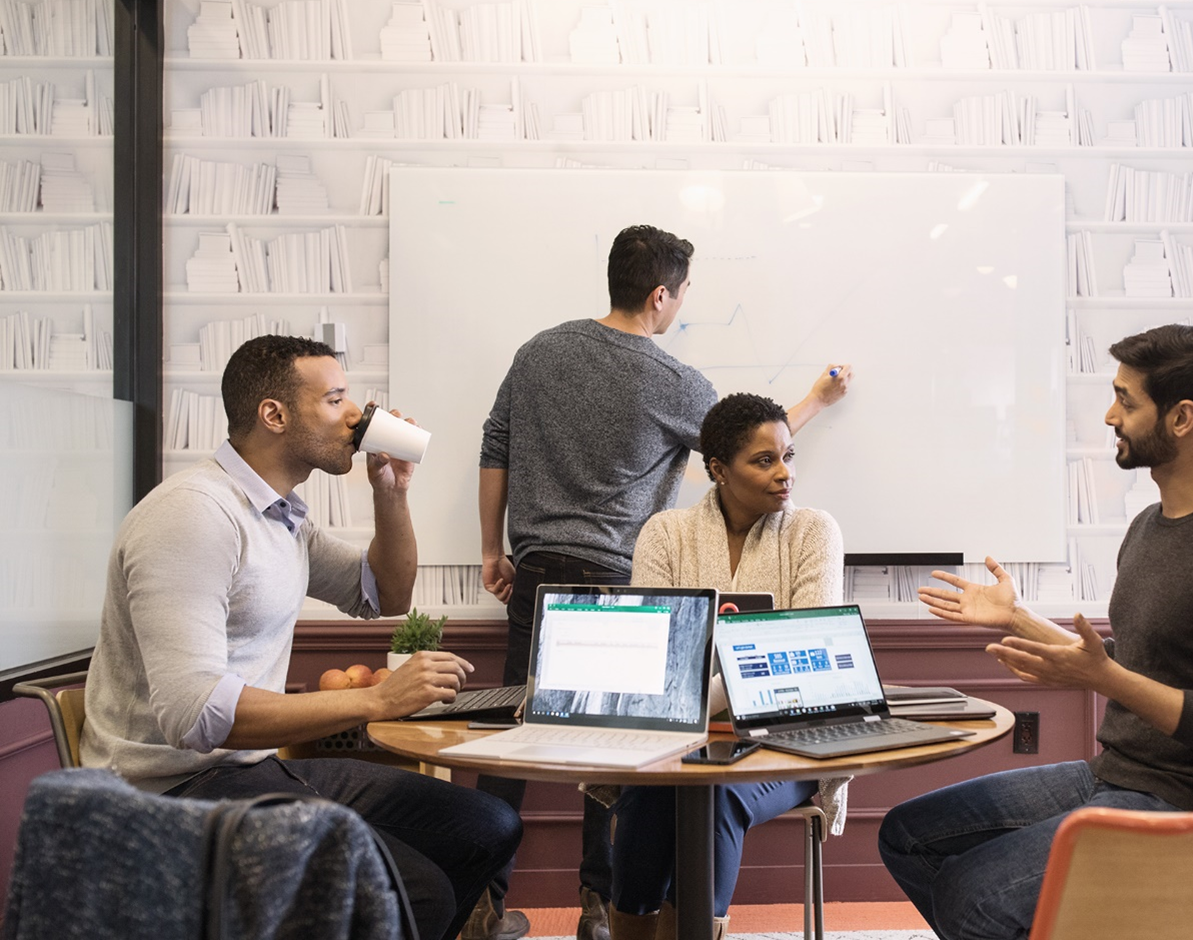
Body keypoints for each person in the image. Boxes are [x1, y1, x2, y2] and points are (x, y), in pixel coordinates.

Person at [877, 324, 1193, 940]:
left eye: (1127, 401)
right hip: (1116, 772)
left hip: (1191, 804)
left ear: (1183, 417)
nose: (1110, 415)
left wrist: (1106, 676)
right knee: (906, 836)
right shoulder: (1148, 526)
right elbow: (1128, 661)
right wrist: (1017, 619)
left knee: (972, 899)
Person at [82, 335, 522, 940]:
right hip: (171, 793)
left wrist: (391, 493)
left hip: (247, 771)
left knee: (487, 826)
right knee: (419, 891)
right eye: (336, 399)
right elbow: (193, 714)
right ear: (274, 415)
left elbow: (383, 595)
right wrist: (376, 700)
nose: (356, 415)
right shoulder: (194, 516)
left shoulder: (282, 515)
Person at [478, 224, 850, 940]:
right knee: (616, 743)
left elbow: (496, 443)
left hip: (535, 569)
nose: (680, 306)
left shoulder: (537, 352)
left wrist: (490, 548)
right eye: (682, 295)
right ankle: (598, 907)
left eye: (789, 460)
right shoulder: (672, 383)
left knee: (526, 739)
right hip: (616, 566)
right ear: (660, 293)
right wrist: (813, 397)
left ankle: (486, 902)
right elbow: (732, 437)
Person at [609, 392, 845, 940]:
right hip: (677, 740)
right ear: (718, 469)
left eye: (789, 456)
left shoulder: (814, 531)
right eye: (764, 461)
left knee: (713, 790)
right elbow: (654, 662)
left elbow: (807, 664)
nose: (784, 474)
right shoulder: (665, 534)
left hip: (789, 742)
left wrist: (705, 689)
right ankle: (632, 929)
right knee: (645, 792)